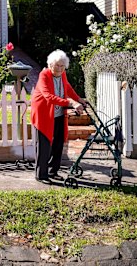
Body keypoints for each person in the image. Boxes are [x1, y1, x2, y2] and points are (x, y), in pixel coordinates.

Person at [30, 50, 86, 184]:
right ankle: (41, 175)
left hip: (59, 113)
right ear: (50, 65)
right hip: (44, 114)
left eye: (62, 66)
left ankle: (52, 171)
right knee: (44, 145)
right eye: (57, 65)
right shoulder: (44, 75)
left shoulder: (63, 74)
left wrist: (78, 99)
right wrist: (71, 102)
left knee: (58, 143)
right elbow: (48, 97)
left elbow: (67, 88)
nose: (59, 68)